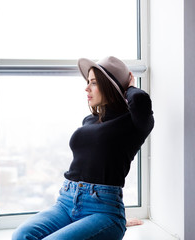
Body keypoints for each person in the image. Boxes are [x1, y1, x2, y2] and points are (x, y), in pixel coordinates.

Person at [12, 56, 154, 240]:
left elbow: (141, 100)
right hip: (66, 201)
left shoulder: (134, 124)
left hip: (103, 210)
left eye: (94, 83)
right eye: (88, 82)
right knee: (21, 235)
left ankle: (113, 224)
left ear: (111, 86)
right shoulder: (90, 120)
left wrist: (129, 87)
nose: (86, 88)